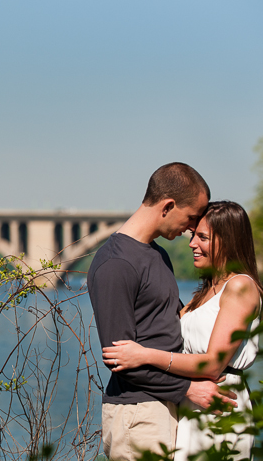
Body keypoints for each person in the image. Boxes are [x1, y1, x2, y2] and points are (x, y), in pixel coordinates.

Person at [88, 163, 238, 461]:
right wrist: (187, 389)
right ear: (168, 205)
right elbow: (118, 358)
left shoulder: (157, 254)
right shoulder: (116, 264)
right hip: (138, 413)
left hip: (165, 405)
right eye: (192, 217)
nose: (192, 229)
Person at [102, 201, 263, 460]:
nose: (192, 243)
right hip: (194, 403)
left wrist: (144, 355)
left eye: (203, 237)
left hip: (220, 401)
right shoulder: (204, 293)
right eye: (193, 235)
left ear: (228, 241)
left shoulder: (240, 287)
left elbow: (213, 364)